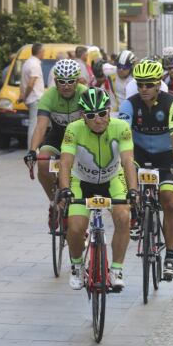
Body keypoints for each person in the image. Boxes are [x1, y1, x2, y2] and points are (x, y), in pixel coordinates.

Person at [57, 88, 138, 292]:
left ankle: (116, 269)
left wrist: (134, 190)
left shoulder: (121, 127)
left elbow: (128, 160)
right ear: (83, 116)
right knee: (75, 228)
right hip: (81, 181)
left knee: (123, 217)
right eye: (91, 115)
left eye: (102, 113)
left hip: (111, 179)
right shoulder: (73, 129)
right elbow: (65, 164)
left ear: (109, 111)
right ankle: (77, 265)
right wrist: (65, 190)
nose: (98, 119)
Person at [117, 59, 173, 281]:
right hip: (139, 154)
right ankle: (137, 214)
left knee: (170, 201)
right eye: (140, 85)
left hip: (165, 157)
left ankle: (171, 257)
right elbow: (123, 137)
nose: (144, 89)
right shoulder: (129, 105)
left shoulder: (172, 103)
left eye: (148, 84)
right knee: (130, 188)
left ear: (158, 84)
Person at [23, 58, 89, 206]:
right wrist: (32, 150)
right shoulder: (49, 96)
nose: (66, 86)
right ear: (56, 80)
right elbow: (41, 126)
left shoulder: (84, 93)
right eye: (62, 81)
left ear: (77, 80)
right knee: (43, 163)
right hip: (57, 136)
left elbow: (92, 123)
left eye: (71, 81)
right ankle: (54, 202)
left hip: (80, 139)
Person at [19, 43, 45, 152]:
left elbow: (24, 82)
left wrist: (24, 96)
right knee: (34, 125)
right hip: (35, 97)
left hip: (31, 98)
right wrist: (25, 96)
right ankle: (32, 149)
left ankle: (33, 148)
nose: (44, 53)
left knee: (34, 124)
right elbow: (31, 83)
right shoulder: (35, 64)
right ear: (40, 52)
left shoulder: (27, 63)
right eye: (43, 51)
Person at [109, 50, 136, 115]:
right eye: (119, 66)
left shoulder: (136, 80)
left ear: (131, 68)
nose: (121, 70)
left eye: (125, 67)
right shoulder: (111, 75)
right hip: (114, 113)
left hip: (132, 113)